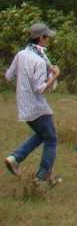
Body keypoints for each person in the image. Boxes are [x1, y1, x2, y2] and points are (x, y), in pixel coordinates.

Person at [4, 22, 61, 186]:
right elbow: (40, 88)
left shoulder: (22, 54)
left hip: (24, 104)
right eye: (47, 37)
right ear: (41, 38)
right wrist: (55, 75)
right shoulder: (39, 60)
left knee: (43, 135)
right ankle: (42, 176)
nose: (48, 40)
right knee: (51, 139)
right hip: (37, 106)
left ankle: (15, 158)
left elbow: (8, 76)